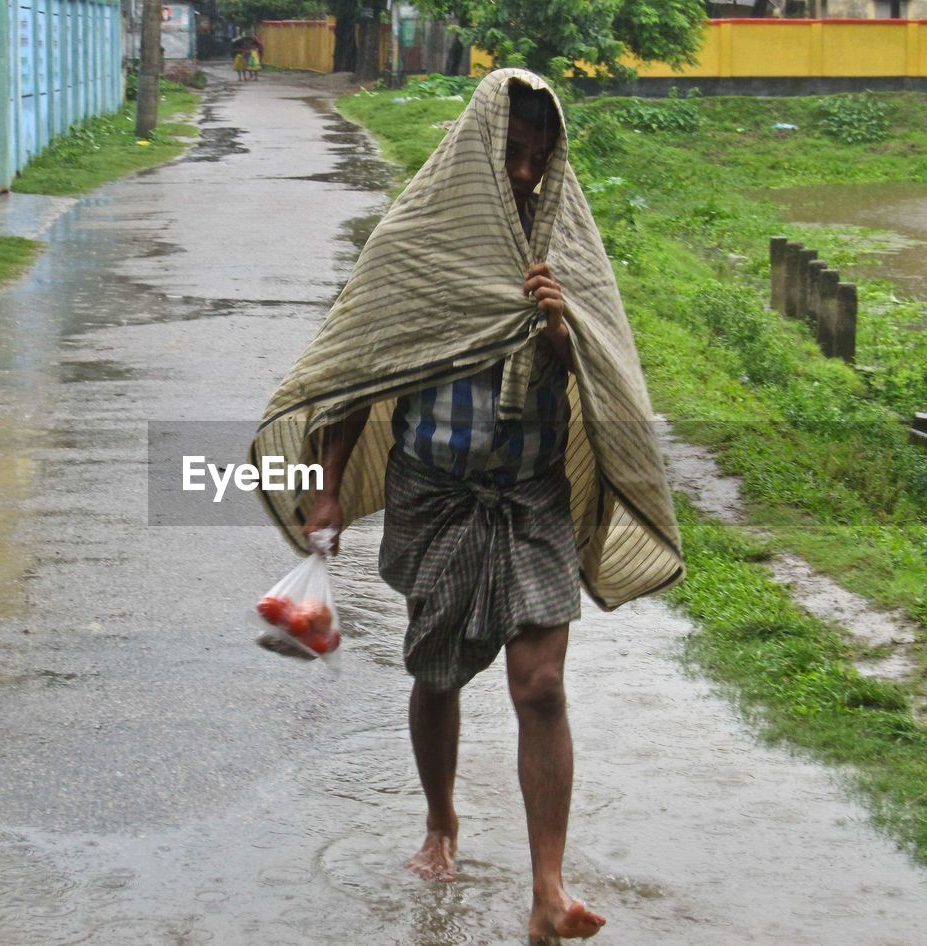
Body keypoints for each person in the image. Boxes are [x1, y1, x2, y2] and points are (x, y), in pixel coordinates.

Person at [250, 69, 684, 944]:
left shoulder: (564, 246)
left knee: (544, 687)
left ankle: (549, 889)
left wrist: (562, 336)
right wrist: (328, 485)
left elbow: (600, 372)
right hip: (437, 491)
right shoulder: (421, 239)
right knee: (438, 671)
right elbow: (361, 371)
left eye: (538, 158)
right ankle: (442, 822)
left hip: (531, 494)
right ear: (481, 149)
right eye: (512, 155)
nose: (525, 173)